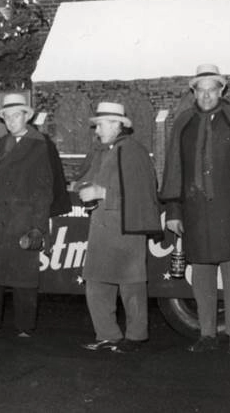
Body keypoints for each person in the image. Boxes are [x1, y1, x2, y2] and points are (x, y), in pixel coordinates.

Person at [160, 64, 230, 356]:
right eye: (201, 90)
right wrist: (173, 211)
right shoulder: (183, 123)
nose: (207, 96)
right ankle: (207, 333)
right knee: (202, 275)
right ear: (193, 92)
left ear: (222, 90)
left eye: (213, 90)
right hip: (196, 212)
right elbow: (174, 171)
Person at [75, 102, 161, 353]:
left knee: (131, 285)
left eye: (100, 125)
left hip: (125, 229)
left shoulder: (133, 151)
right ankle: (108, 335)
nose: (97, 131)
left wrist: (103, 193)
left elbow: (144, 193)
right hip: (104, 229)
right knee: (96, 283)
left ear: (116, 124)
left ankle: (136, 337)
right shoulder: (106, 151)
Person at [0, 93, 58, 337]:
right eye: (7, 117)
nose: (11, 121)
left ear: (26, 116)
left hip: (22, 220)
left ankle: (25, 326)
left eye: (16, 116)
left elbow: (45, 189)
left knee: (24, 276)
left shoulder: (40, 144)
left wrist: (38, 226)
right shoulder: (1, 144)